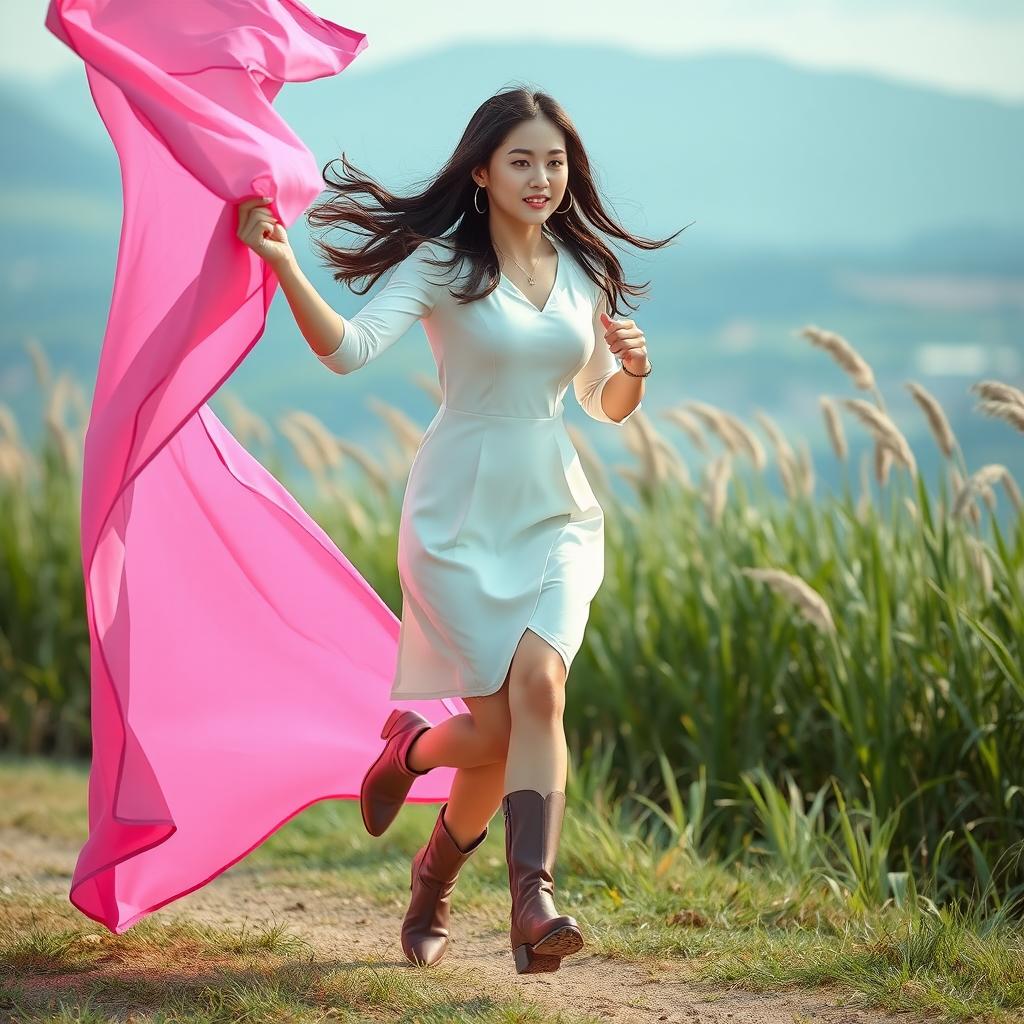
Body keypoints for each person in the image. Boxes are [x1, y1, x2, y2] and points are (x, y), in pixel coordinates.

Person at [237, 85, 686, 975]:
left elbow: (602, 403)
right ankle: (419, 801)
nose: (542, 177)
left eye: (555, 161)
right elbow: (348, 350)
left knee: (540, 692)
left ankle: (533, 901)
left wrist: (635, 371)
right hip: (457, 520)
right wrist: (283, 264)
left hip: (556, 512)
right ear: (481, 172)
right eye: (522, 160)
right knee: (493, 738)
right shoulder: (442, 264)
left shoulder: (581, 270)